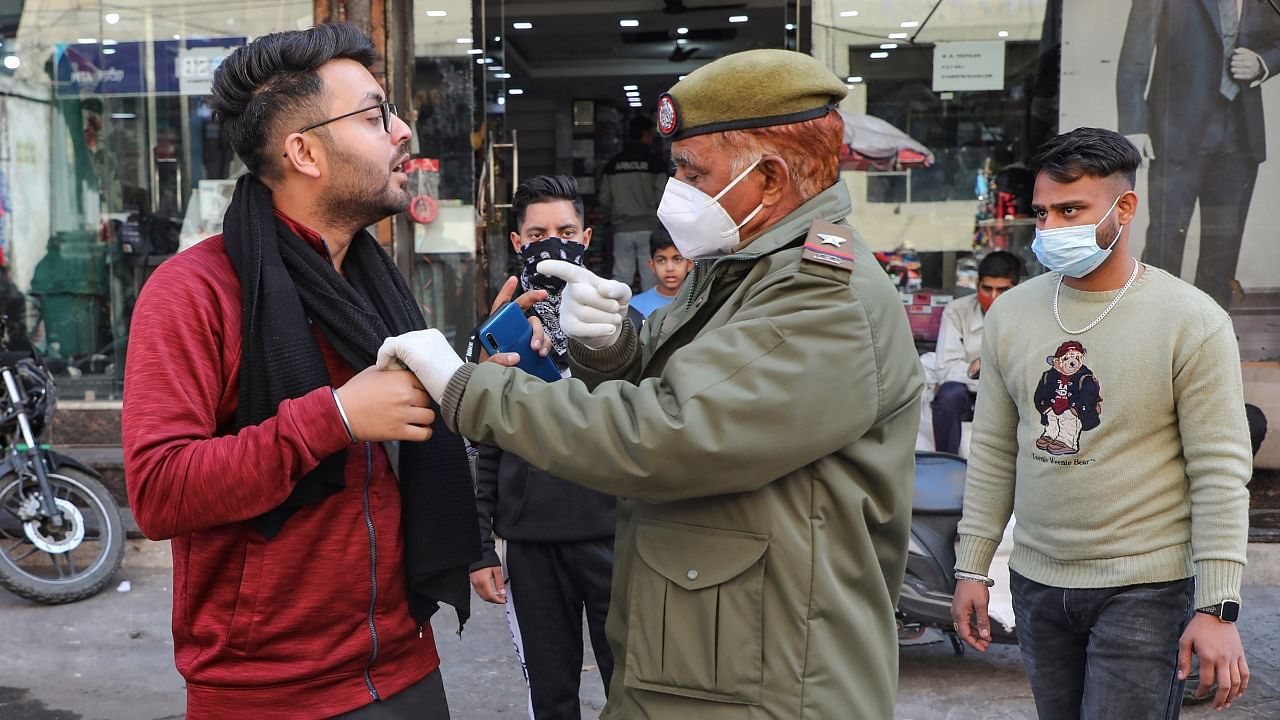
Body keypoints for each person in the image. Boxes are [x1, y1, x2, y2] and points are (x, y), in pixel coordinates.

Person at [377, 49, 923, 719]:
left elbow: (664, 433)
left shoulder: (822, 299)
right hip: (705, 660)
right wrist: (609, 346)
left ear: (772, 178)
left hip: (771, 683)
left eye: (694, 173)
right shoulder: (738, 265)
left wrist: (467, 387)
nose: (678, 192)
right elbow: (674, 379)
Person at [121, 24, 477, 719]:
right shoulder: (194, 291)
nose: (403, 130)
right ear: (304, 151)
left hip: (405, 659)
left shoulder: (373, 282)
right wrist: (334, 418)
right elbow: (159, 492)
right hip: (268, 690)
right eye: (376, 116)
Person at [951, 127, 1251, 718]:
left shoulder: (1191, 320)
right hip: (1036, 584)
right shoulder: (1011, 314)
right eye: (1042, 214)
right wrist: (973, 567)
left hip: (1145, 589)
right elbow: (992, 450)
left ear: (1125, 207)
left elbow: (1219, 470)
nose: (1052, 230)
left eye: (1071, 211)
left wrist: (1217, 607)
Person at [468, 175, 615, 719]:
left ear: (586, 236)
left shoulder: (621, 322)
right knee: (551, 698)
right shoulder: (497, 331)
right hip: (531, 546)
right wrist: (481, 547)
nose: (553, 243)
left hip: (616, 538)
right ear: (516, 242)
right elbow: (481, 445)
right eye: (538, 233)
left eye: (565, 231)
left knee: (632, 688)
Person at [1117, 0, 1280, 307]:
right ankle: (1157, 330)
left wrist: (1263, 62)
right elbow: (1135, 50)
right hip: (1176, 129)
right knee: (1165, 242)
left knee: (1224, 247)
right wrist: (1134, 126)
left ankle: (1208, 334)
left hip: (1240, 131)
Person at [931, 250, 1021, 455]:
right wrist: (974, 370)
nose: (993, 297)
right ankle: (945, 463)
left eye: (1002, 290)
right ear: (977, 284)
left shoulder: (1029, 313)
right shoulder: (956, 310)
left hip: (1010, 395)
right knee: (948, 396)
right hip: (968, 394)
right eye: (987, 289)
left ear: (1016, 287)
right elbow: (944, 369)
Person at [600, 115, 667, 290]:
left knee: (621, 278)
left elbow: (604, 198)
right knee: (651, 277)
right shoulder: (654, 163)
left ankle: (621, 316)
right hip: (649, 227)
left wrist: (611, 216)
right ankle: (651, 316)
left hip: (621, 228)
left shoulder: (613, 164)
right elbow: (663, 195)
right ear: (645, 134)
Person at [628, 226, 692, 320]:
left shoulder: (700, 303)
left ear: (690, 264)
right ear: (652, 265)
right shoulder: (634, 306)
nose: (669, 268)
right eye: (661, 260)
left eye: (677, 259)